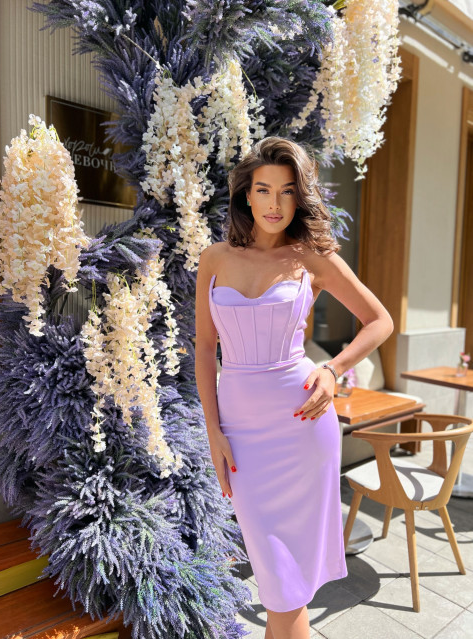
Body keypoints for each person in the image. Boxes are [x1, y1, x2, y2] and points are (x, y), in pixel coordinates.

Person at [194, 136, 394, 639]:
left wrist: (333, 369)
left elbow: (379, 320)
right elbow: (204, 349)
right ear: (246, 195)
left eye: (287, 191)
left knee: (284, 589)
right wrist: (213, 431)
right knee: (280, 582)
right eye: (264, 190)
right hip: (241, 435)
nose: (275, 204)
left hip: (302, 425)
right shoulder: (213, 259)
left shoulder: (312, 258)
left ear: (299, 198)